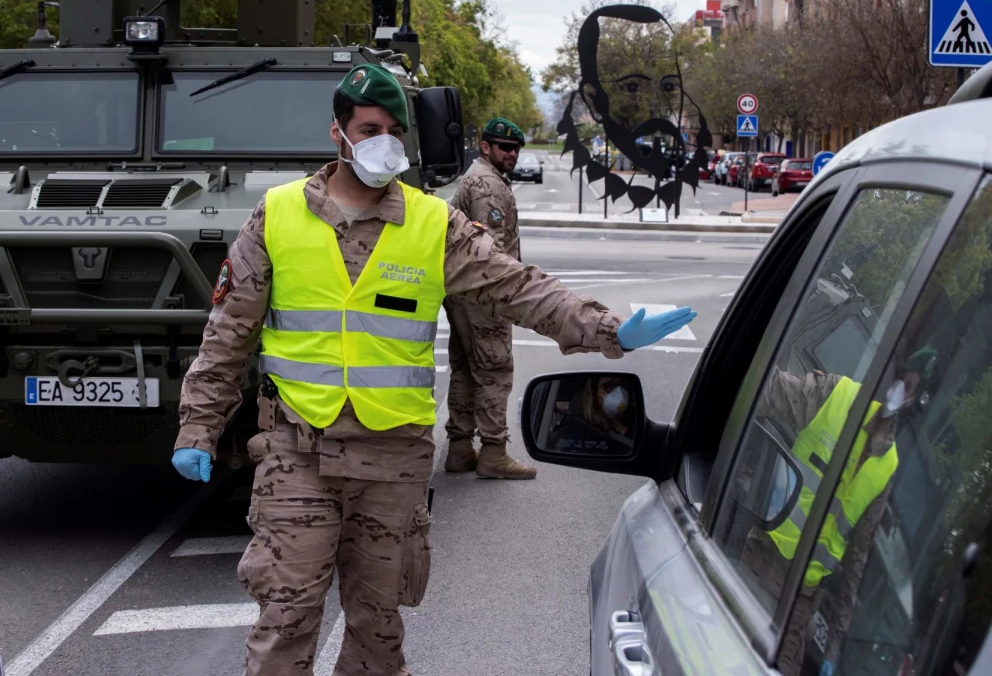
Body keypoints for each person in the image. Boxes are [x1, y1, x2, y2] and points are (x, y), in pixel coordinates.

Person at [172, 63, 696, 676]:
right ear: (337, 133)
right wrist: (197, 426)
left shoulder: (432, 223)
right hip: (298, 454)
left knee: (377, 635)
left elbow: (517, 286)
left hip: (392, 460)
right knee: (283, 629)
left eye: (395, 129)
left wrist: (608, 329)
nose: (384, 141)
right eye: (370, 127)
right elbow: (228, 332)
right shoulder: (279, 214)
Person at [741, 346, 935, 676]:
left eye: (910, 387)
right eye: (901, 378)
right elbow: (770, 392)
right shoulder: (837, 394)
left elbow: (858, 558)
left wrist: (833, 647)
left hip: (799, 604)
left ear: (912, 402)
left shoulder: (886, 468)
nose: (900, 388)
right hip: (759, 563)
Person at [442, 116, 535, 479]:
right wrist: (509, 294)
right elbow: (491, 251)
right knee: (495, 370)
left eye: (515, 149)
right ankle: (493, 452)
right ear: (486, 147)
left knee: (465, 368)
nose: (512, 154)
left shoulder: (480, 178)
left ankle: (460, 448)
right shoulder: (487, 185)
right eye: (505, 148)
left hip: (463, 291)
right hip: (484, 293)